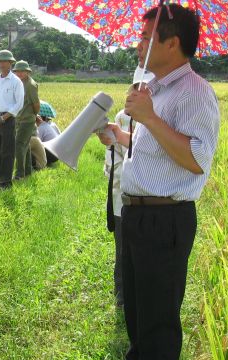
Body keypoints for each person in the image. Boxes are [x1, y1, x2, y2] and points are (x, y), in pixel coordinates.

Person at [97, 4, 220, 360]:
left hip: (166, 217)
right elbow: (153, 147)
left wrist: (148, 115)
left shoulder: (195, 92)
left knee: (159, 312)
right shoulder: (155, 88)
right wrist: (121, 134)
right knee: (136, 302)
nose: (138, 43)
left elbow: (196, 158)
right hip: (136, 210)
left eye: (147, 36)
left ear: (172, 42)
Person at [104, 66, 155, 309]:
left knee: (145, 250)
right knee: (123, 250)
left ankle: (140, 295)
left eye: (146, 88)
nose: (140, 91)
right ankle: (122, 296)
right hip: (123, 191)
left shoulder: (157, 117)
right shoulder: (122, 117)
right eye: (137, 87)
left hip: (149, 195)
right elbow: (113, 159)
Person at [0, 50, 24, 190]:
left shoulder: (16, 81)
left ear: (10, 63)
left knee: (7, 151)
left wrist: (4, 117)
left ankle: (5, 182)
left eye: (5, 61)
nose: (2, 64)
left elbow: (19, 103)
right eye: (0, 62)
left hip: (8, 119)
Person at [12, 60, 40, 179]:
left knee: (18, 144)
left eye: (22, 71)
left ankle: (19, 174)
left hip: (27, 120)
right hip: (20, 118)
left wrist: (34, 115)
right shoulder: (20, 83)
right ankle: (28, 171)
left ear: (27, 72)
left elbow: (36, 104)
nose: (19, 73)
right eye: (17, 71)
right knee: (26, 145)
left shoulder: (30, 85)